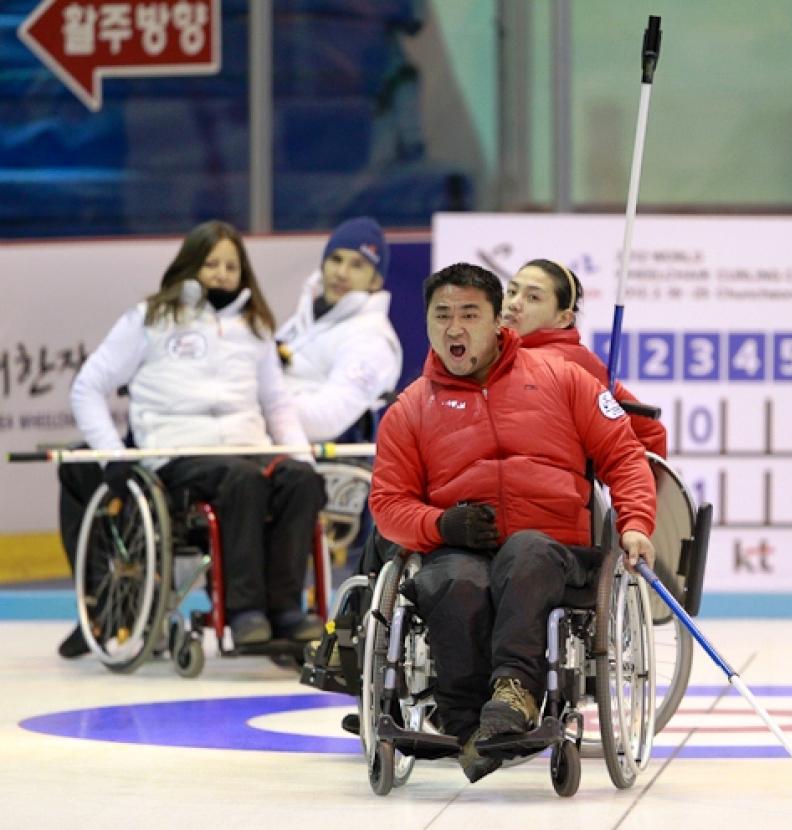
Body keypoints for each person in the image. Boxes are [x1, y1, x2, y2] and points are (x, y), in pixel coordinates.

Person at [368, 262, 657, 783]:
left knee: (525, 553)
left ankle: (515, 693)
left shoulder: (565, 378)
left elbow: (625, 455)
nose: (454, 329)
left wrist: (636, 522)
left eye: (469, 314)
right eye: (442, 316)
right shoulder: (410, 409)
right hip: (460, 549)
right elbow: (389, 505)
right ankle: (465, 723)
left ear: (498, 318)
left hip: (554, 551)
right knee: (451, 579)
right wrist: (439, 525)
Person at [59, 220, 326, 655]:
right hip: (177, 453)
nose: (221, 274)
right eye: (211, 263)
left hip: (247, 449)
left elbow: (277, 405)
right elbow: (87, 387)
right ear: (188, 264)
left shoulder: (255, 326)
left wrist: (303, 458)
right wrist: (113, 455)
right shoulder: (150, 318)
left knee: (300, 481)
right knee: (240, 480)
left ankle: (286, 610)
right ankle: (244, 613)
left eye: (231, 266)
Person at [501, 258, 668, 457]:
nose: (514, 304)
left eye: (533, 298)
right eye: (511, 292)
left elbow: (650, 432)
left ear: (564, 319)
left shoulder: (573, 363)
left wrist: (637, 486)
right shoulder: (486, 352)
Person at [274, 217, 402, 442]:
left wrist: (257, 407)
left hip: (314, 459)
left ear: (375, 281)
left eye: (357, 265)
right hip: (270, 439)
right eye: (336, 259)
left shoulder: (372, 340)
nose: (341, 273)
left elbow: (327, 419)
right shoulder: (304, 320)